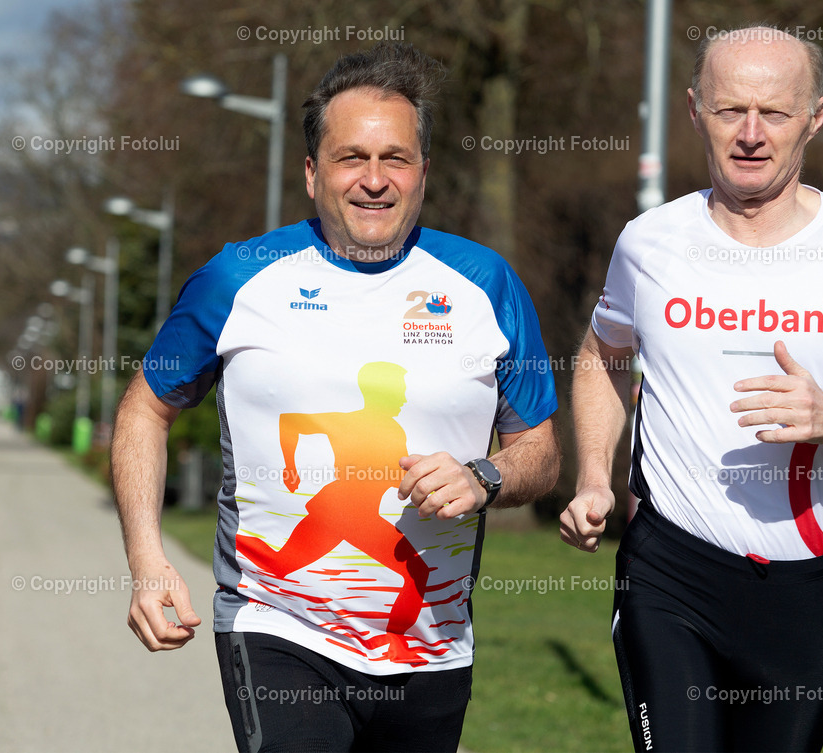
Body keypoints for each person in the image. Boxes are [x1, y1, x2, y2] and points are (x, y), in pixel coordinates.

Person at [111, 42, 559, 753]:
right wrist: (148, 560)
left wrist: (485, 476)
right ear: (314, 173)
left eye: (396, 159)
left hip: (433, 648)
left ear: (424, 172)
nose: (375, 181)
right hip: (274, 629)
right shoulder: (240, 278)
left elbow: (539, 450)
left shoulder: (486, 284)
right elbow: (146, 407)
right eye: (352, 157)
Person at [559, 25, 823, 753]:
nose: (750, 134)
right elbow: (602, 352)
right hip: (671, 572)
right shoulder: (649, 241)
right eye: (728, 110)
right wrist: (593, 476)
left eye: (774, 113)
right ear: (693, 110)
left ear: (818, 115)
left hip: (808, 590)